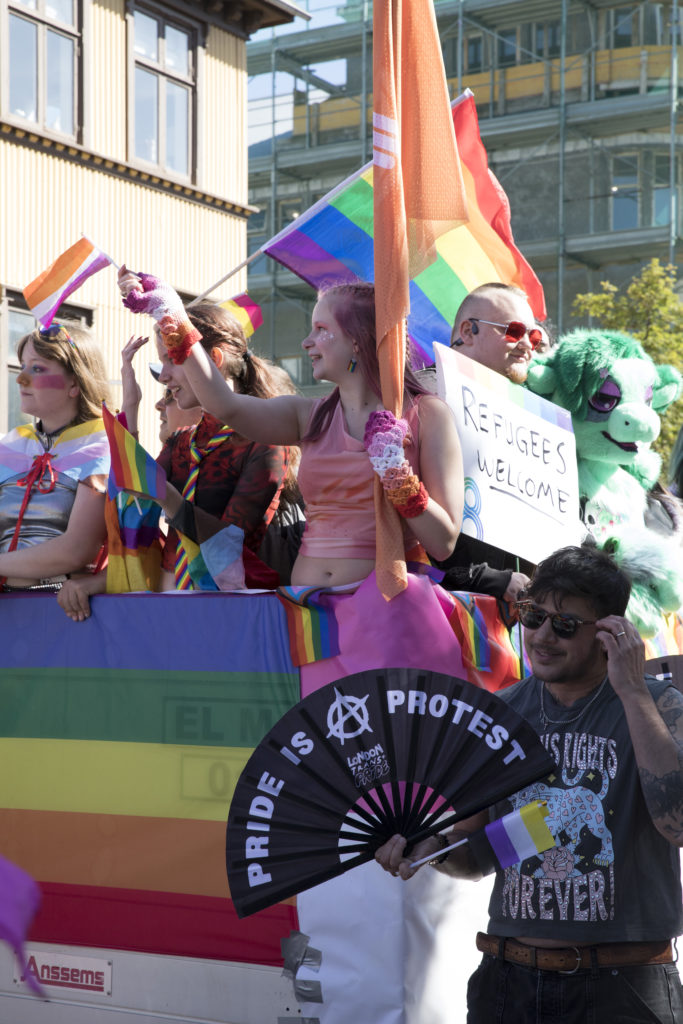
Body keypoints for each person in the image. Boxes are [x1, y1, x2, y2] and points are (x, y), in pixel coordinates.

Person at [376, 544, 683, 1024]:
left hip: (623, 987)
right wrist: (429, 850)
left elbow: (678, 822)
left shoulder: (660, 706)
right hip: (509, 982)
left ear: (610, 633)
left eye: (564, 625)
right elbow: (477, 853)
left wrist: (632, 690)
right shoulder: (500, 713)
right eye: (533, 615)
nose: (541, 636)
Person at [118, 270, 464, 590]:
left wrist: (397, 475)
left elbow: (443, 543)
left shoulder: (426, 415)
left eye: (321, 329)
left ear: (358, 339)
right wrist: (170, 313)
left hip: (383, 613)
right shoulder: (309, 416)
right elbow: (224, 404)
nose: (306, 342)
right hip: (307, 613)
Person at [421, 282, 541, 601]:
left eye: (535, 335)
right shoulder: (424, 395)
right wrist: (481, 578)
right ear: (468, 331)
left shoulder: (529, 412)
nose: (528, 344)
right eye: (514, 331)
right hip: (438, 607)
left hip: (509, 613)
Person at [0, 322, 110, 591]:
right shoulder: (9, 445)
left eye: (37, 368)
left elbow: (76, 551)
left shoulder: (104, 445)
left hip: (66, 613)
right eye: (23, 366)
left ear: (75, 383)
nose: (20, 378)